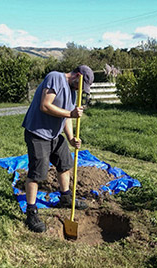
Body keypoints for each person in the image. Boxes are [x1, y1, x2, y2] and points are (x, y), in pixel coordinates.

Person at [21, 65, 94, 233]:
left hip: (55, 135)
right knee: (37, 174)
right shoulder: (55, 78)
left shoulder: (73, 91)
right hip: (38, 133)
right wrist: (71, 114)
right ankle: (31, 212)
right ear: (77, 76)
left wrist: (70, 138)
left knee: (65, 164)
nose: (80, 89)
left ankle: (65, 197)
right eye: (80, 85)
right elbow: (45, 106)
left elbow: (66, 117)